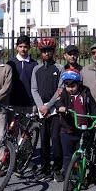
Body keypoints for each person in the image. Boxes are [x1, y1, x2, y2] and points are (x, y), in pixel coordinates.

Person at [56, 70, 96, 183]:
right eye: (67, 86)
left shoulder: (85, 92)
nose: (70, 88)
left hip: (82, 129)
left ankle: (81, 176)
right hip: (67, 130)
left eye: (73, 85)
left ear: (79, 84)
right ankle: (69, 179)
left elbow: (93, 107)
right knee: (68, 156)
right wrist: (61, 107)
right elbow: (58, 102)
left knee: (83, 154)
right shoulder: (64, 93)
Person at [31, 37, 64, 182]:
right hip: (42, 111)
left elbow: (60, 89)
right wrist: (41, 107)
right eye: (44, 51)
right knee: (43, 140)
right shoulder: (36, 69)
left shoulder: (60, 68)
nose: (46, 53)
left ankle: (57, 168)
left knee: (56, 140)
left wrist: (48, 106)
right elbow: (34, 89)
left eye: (49, 51)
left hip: (54, 110)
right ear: (40, 52)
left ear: (53, 52)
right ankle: (45, 168)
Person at [6, 35, 38, 117]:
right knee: (13, 129)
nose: (23, 49)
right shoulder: (10, 63)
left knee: (29, 129)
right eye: (20, 46)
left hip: (29, 104)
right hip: (13, 103)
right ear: (16, 47)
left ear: (29, 47)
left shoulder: (34, 64)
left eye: (25, 47)